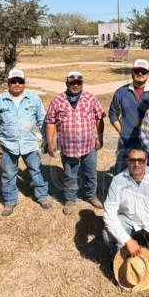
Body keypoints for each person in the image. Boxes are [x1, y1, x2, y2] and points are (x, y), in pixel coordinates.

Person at [0, 69, 50, 216]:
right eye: (13, 81)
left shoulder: (34, 99)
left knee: (36, 171)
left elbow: (42, 121)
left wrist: (46, 140)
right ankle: (9, 201)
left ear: (24, 83)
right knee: (8, 174)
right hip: (8, 146)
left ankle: (42, 196)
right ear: (8, 83)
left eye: (20, 81)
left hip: (30, 144)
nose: (17, 84)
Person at [45, 71, 106, 215]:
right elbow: (50, 122)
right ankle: (70, 200)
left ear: (82, 83)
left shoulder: (91, 98)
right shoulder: (57, 100)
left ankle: (91, 195)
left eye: (79, 83)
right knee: (70, 175)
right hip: (68, 147)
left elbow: (99, 118)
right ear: (67, 83)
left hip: (89, 145)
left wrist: (100, 137)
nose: (76, 85)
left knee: (91, 173)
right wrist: (50, 142)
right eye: (73, 83)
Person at [102, 148, 149, 260]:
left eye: (140, 160)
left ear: (146, 161)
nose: (136, 164)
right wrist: (127, 240)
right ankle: (118, 250)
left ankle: (148, 247)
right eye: (132, 160)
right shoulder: (118, 180)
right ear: (127, 161)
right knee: (107, 236)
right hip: (130, 221)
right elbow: (109, 213)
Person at [109, 59, 149, 175]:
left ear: (148, 74)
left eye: (143, 71)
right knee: (121, 172)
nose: (140, 74)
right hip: (126, 141)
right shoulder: (121, 92)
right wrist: (122, 131)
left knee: (147, 173)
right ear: (132, 73)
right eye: (137, 71)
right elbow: (113, 114)